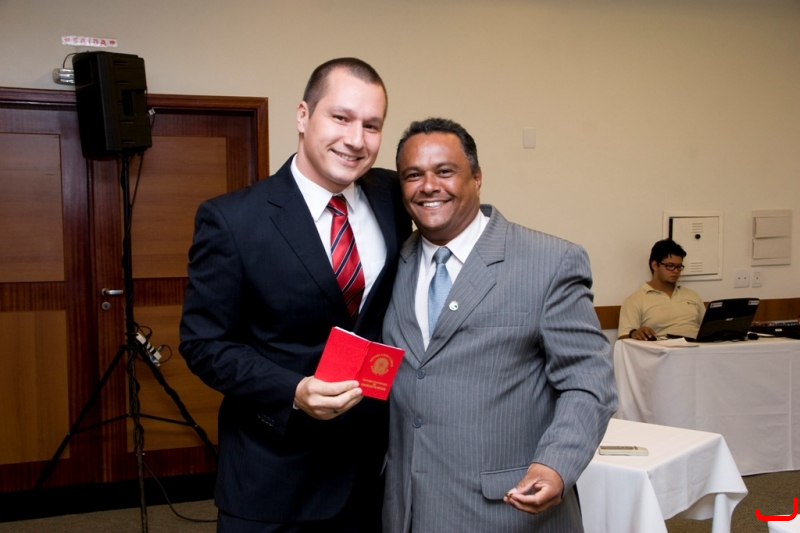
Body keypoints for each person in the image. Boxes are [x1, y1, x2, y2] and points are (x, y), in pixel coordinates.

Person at [179, 57, 412, 532]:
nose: (356, 139)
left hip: (371, 473)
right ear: (303, 116)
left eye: (371, 125)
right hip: (273, 475)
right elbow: (204, 344)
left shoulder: (393, 195)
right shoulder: (233, 220)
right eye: (341, 117)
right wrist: (293, 391)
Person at [381, 117, 617, 533]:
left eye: (445, 171)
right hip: (407, 510)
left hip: (507, 511)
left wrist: (556, 463)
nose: (428, 186)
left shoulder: (548, 261)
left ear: (476, 177)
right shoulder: (390, 264)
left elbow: (588, 380)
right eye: (413, 175)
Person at [618, 238, 705, 341]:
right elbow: (623, 338)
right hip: (662, 348)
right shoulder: (635, 300)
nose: (676, 271)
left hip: (697, 347)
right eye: (670, 266)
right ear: (655, 265)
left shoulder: (692, 295)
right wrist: (635, 333)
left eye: (679, 266)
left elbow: (708, 329)